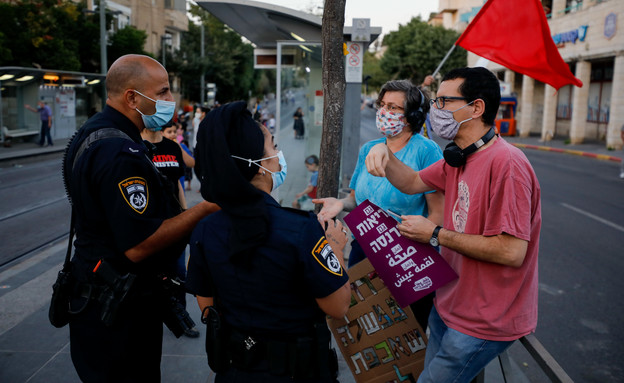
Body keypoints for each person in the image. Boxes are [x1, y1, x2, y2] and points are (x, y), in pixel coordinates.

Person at [365, 67, 541, 383]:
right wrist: (385, 151)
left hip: (483, 321)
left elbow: (512, 251)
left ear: (476, 107)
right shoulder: (458, 157)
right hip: (449, 306)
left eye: (445, 101)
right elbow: (413, 181)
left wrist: (434, 233)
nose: (437, 110)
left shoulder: (508, 165)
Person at [62, 54, 219, 382]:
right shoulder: (120, 155)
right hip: (118, 312)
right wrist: (203, 210)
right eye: (162, 92)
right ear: (132, 97)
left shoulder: (94, 133)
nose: (170, 101)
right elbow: (138, 244)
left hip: (97, 298)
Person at [186, 101, 351, 382]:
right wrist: (335, 248)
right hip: (299, 372)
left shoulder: (205, 230)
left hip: (235, 370)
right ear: (258, 166)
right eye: (274, 147)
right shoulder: (301, 230)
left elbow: (206, 306)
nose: (278, 155)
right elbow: (338, 307)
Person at [313, 79, 444, 330]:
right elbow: (358, 198)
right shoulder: (369, 149)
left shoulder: (426, 151)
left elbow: (439, 213)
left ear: (412, 115)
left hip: (408, 258)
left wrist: (421, 241)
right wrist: (340, 204)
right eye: (382, 105)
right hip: (364, 252)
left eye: (393, 108)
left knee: (408, 336)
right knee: (369, 329)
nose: (384, 112)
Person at [141, 120, 199, 338]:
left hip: (174, 221)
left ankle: (182, 319)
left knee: (179, 273)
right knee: (152, 274)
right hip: (150, 223)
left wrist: (185, 213)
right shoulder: (137, 147)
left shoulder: (172, 147)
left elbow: (177, 185)